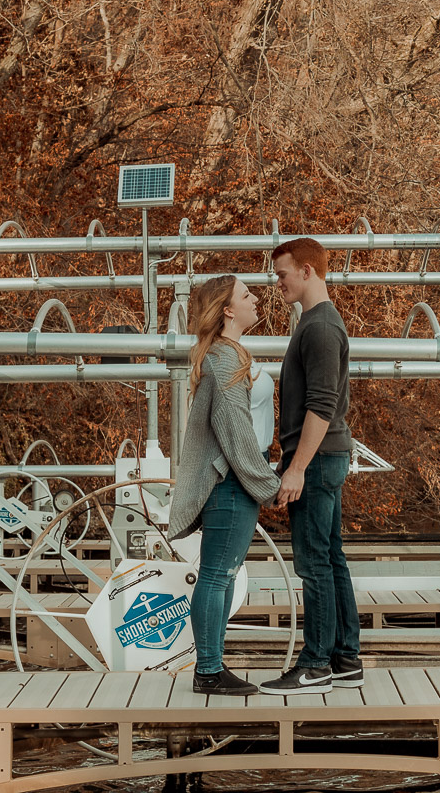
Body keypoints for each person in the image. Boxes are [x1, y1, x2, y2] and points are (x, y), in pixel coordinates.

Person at [258, 237, 361, 695]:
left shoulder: (319, 327)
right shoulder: (317, 322)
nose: (276, 282)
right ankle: (345, 658)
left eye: (281, 274)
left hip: (316, 460)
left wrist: (296, 467)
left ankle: (316, 663)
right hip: (326, 456)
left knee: (313, 562)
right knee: (331, 557)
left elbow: (321, 406)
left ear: (307, 271)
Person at [169, 275, 281, 696]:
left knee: (224, 576)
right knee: (217, 576)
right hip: (232, 481)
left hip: (237, 478)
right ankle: (209, 671)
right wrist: (268, 485)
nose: (256, 299)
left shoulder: (228, 354)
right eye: (246, 295)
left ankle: (212, 667)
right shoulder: (223, 359)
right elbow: (233, 430)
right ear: (228, 310)